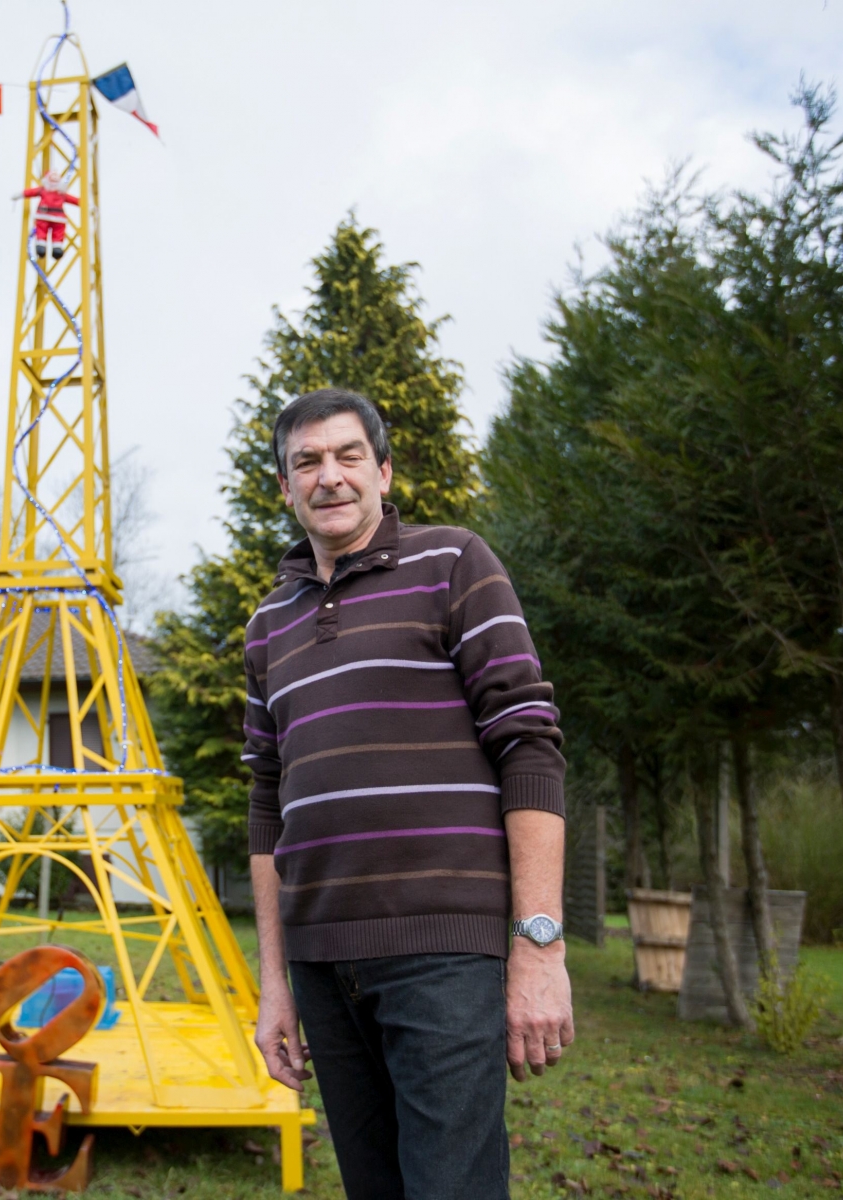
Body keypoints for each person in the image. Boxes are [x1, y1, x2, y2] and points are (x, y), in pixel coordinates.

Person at [245, 388, 573, 1199]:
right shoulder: (267, 626)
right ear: (285, 489)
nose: (330, 477)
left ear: (384, 472)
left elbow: (528, 746)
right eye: (306, 462)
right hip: (322, 966)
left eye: (348, 456)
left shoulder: (455, 564)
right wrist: (276, 985)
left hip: (442, 957)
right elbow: (266, 805)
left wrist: (539, 944)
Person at [21, 169, 78, 260]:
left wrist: (86, 205)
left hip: (57, 218)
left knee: (58, 233)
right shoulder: (43, 191)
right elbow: (31, 192)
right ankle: (41, 246)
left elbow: (74, 200)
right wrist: (21, 194)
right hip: (44, 216)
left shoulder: (61, 194)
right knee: (42, 230)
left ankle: (56, 248)